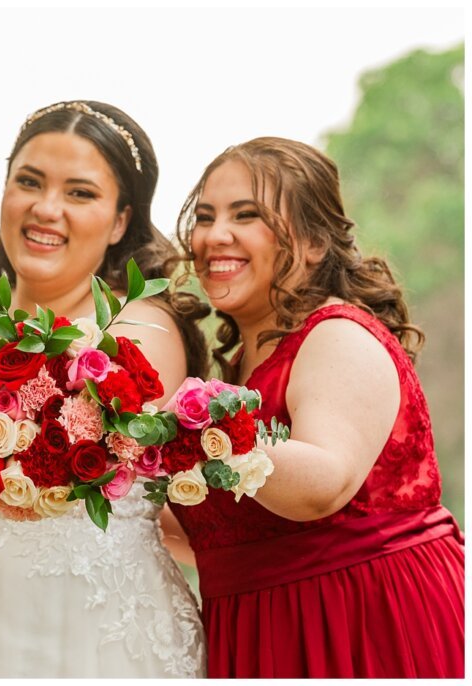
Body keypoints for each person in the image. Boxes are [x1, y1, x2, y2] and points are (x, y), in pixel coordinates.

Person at [0, 100, 210, 678]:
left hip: (84, 629)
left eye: (80, 193)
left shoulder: (140, 328)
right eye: (29, 182)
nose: (45, 209)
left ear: (121, 220)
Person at [170, 136, 464, 678]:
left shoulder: (337, 336)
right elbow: (218, 533)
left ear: (313, 243)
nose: (214, 235)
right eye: (205, 217)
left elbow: (322, 484)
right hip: (255, 630)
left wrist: (196, 429)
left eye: (246, 215)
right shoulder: (232, 374)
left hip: (360, 623)